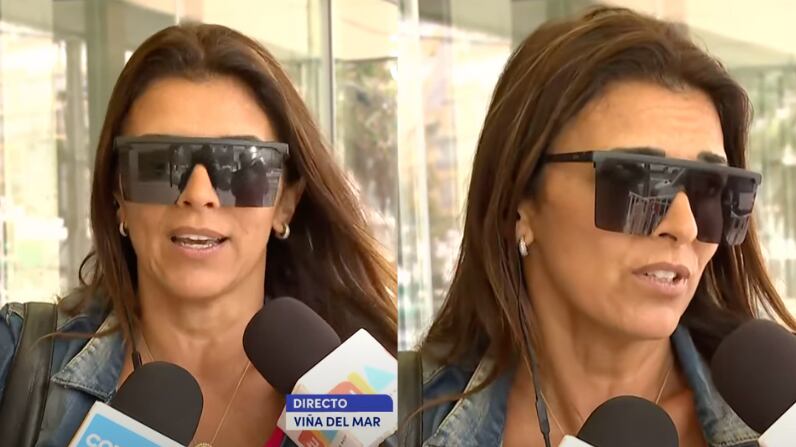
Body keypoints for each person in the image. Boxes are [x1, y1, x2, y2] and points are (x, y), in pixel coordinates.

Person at [400, 7, 796, 447]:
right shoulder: (386, 416)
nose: (684, 226)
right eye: (635, 182)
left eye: (711, 189)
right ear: (518, 202)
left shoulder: (778, 419)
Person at [0, 23, 396, 447]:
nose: (198, 194)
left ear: (285, 202)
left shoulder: (377, 395)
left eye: (240, 165)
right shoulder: (15, 356)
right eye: (159, 164)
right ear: (118, 195)